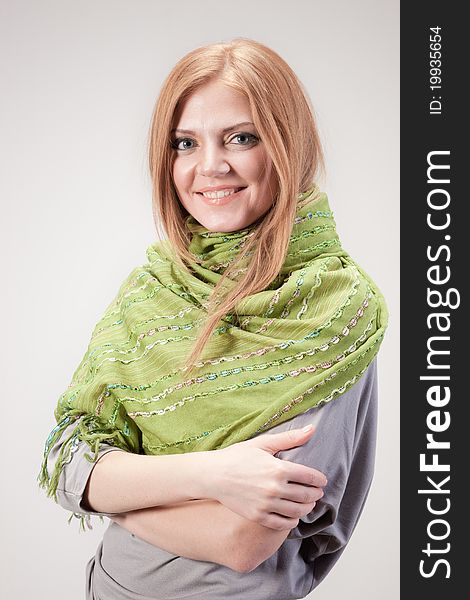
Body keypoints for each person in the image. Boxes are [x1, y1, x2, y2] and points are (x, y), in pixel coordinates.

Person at [38, 38, 388, 600]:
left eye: (241, 138)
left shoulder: (330, 311)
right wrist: (213, 475)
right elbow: (67, 455)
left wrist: (114, 493)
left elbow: (241, 538)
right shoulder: (152, 290)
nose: (210, 166)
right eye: (185, 143)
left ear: (287, 145)